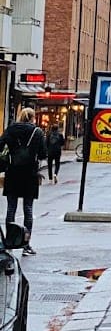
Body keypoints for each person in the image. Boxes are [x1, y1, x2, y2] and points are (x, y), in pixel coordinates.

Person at [0, 107, 46, 255]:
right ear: (33, 118)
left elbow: (0, 146)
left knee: (11, 209)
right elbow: (43, 154)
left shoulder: (11, 129)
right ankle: (26, 245)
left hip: (13, 172)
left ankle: (9, 242)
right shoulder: (37, 132)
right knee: (28, 209)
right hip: (30, 174)